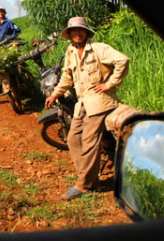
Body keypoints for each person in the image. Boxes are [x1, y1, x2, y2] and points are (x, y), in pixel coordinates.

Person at [45, 16, 130, 201]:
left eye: (80, 30)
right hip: (82, 102)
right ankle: (90, 177)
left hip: (100, 102)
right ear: (69, 34)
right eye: (73, 31)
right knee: (73, 139)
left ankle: (84, 185)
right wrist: (55, 94)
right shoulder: (70, 51)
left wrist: (110, 84)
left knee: (89, 140)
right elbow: (67, 77)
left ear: (86, 32)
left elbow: (123, 60)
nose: (77, 33)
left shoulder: (99, 48)